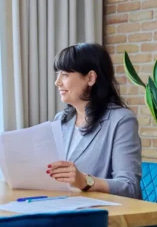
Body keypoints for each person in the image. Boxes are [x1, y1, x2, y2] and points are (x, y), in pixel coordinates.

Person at [47, 43, 142, 199]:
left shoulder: (122, 121)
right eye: (58, 74)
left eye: (64, 74)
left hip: (102, 215)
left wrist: (84, 181)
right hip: (64, 205)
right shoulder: (61, 119)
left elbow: (129, 187)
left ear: (90, 78)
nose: (57, 82)